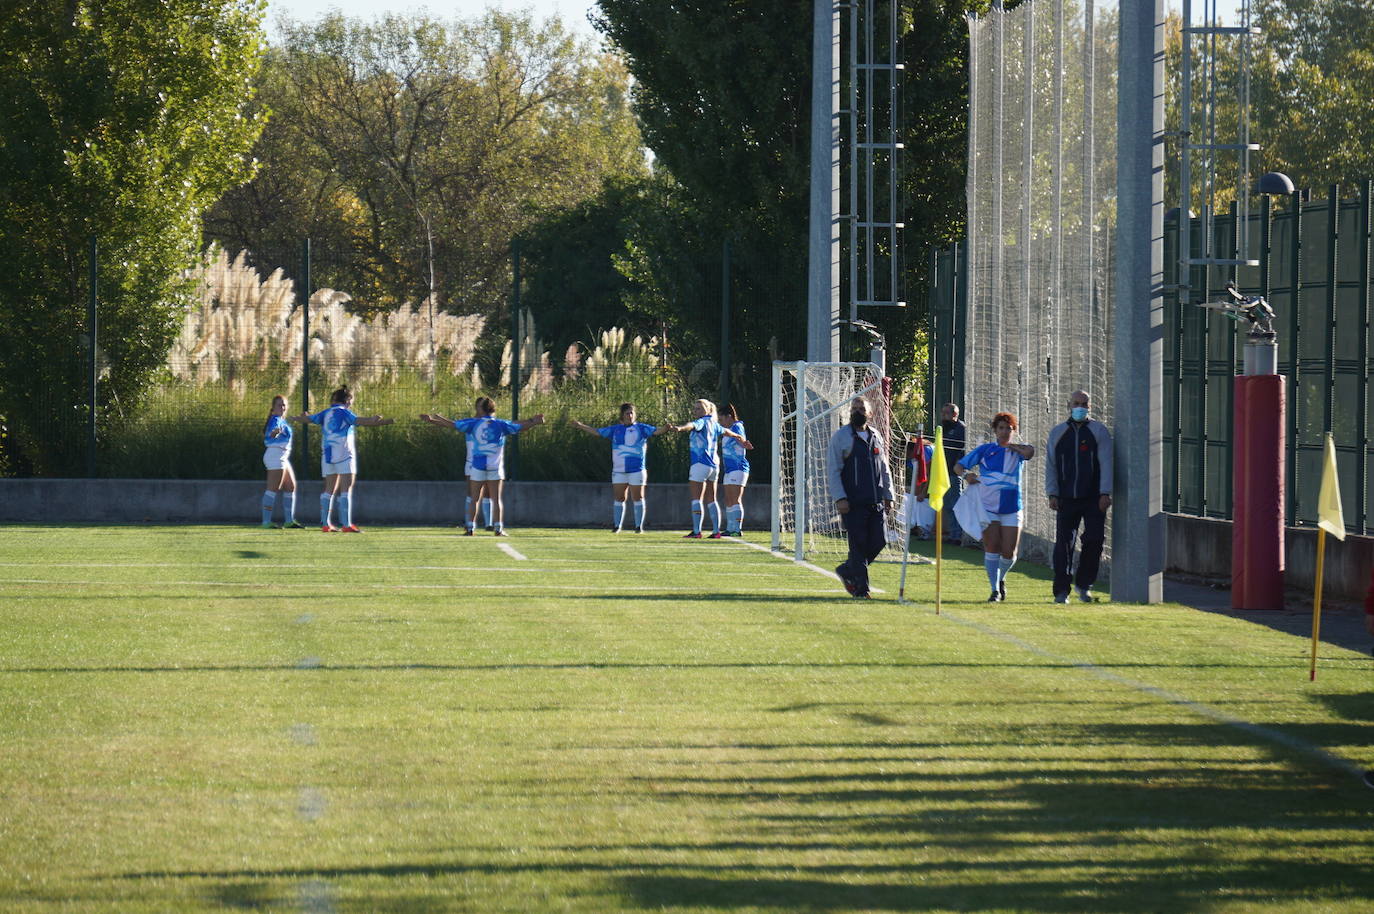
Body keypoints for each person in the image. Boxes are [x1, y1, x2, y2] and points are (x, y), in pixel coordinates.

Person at [423, 396, 544, 536]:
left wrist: (436, 419)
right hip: (495, 467)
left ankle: (470, 527)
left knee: (474, 498)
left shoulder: (473, 424)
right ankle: (498, 528)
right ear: (493, 409)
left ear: (481, 409)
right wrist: (535, 422)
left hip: (477, 466)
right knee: (496, 499)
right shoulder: (501, 424)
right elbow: (519, 427)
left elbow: (454, 425)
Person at [954, 412, 1035, 602]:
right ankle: (994, 590)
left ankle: (1001, 578)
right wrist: (966, 476)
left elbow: (1030, 453)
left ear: (1014, 431)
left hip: (1012, 507)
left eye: (1009, 428)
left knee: (1009, 552)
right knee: (992, 547)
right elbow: (958, 466)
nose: (1005, 431)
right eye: (1001, 428)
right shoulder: (985, 450)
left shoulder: (1018, 451)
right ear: (995, 430)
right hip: (987, 507)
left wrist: (1010, 446)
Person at [290, 385, 394, 532]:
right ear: (347, 400)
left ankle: (325, 524)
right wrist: (373, 419)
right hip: (345, 455)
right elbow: (358, 421)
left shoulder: (325, 413)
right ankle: (346, 524)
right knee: (346, 490)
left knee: (329, 489)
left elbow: (309, 419)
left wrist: (298, 418)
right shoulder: (344, 412)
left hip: (328, 455)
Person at [1045, 390, 1114, 603]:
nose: (1080, 407)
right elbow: (1051, 466)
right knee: (1064, 544)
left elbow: (1106, 463)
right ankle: (1061, 591)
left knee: (1094, 540)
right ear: (1069, 405)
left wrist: (1105, 492)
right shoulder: (1058, 433)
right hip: (1066, 498)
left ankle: (1084, 585)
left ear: (1090, 407)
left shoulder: (1099, 431)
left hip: (1094, 498)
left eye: (1084, 404)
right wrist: (1052, 493)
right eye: (1076, 403)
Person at [826, 397, 894, 598]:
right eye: (854, 408)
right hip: (852, 503)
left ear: (870, 413)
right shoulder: (841, 437)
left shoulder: (876, 436)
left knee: (879, 541)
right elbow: (833, 470)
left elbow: (884, 467)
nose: (857, 411)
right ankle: (862, 590)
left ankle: (847, 569)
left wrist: (889, 495)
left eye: (862, 409)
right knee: (858, 545)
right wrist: (840, 498)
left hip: (875, 501)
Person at [569, 402, 670, 533]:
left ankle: (638, 527)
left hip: (637, 470)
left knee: (638, 497)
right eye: (627, 413)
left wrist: (666, 428)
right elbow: (598, 432)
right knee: (619, 498)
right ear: (622, 415)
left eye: (632, 413)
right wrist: (580, 426)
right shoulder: (615, 429)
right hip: (619, 470)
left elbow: (657, 431)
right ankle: (617, 526)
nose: (630, 415)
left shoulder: (641, 428)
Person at [669, 399, 752, 538]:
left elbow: (691, 425)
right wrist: (738, 437)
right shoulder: (715, 424)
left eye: (699, 408)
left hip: (702, 463)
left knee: (697, 498)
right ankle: (717, 531)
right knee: (714, 499)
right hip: (715, 466)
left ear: (707, 410)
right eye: (695, 408)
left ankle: (697, 531)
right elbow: (726, 432)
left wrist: (680, 428)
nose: (695, 411)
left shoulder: (702, 422)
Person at [259, 394, 302, 529]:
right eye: (279, 405)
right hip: (275, 456)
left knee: (290, 486)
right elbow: (273, 431)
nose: (282, 407)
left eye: (284, 405)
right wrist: (274, 433)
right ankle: (266, 522)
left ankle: (289, 521)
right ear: (273, 408)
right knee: (273, 489)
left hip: (281, 456)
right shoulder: (276, 419)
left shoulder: (281, 420)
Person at [718, 403, 750, 537]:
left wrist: (744, 443)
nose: (720, 422)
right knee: (728, 499)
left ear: (729, 417)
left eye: (721, 419)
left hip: (738, 468)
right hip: (729, 469)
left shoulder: (737, 426)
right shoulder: (727, 430)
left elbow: (741, 438)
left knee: (735, 499)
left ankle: (737, 529)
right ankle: (730, 528)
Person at [940, 402, 967, 543]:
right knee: (948, 504)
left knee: (956, 505)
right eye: (942, 413)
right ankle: (952, 534)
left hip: (954, 473)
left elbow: (963, 449)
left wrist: (958, 465)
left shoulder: (961, 429)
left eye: (946, 413)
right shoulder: (943, 428)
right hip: (943, 472)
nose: (943, 416)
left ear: (955, 414)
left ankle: (958, 535)